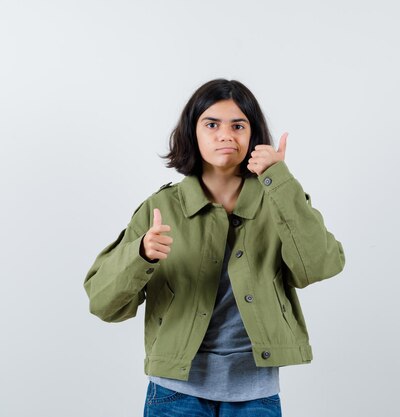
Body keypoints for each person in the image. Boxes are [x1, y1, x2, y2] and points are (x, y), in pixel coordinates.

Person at [83, 79, 345, 417]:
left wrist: (280, 181)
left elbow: (320, 266)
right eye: (212, 124)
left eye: (238, 125)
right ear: (193, 133)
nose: (226, 135)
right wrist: (142, 255)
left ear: (253, 134)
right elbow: (103, 303)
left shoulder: (278, 199)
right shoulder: (162, 206)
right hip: (175, 392)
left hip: (256, 392)